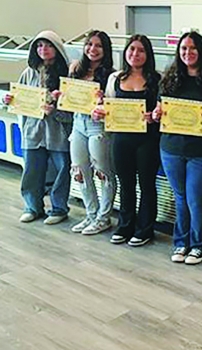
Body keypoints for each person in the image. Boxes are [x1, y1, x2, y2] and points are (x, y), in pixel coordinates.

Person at [152, 31, 202, 264]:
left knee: (197, 199)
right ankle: (180, 242)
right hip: (171, 149)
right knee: (180, 197)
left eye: (193, 48)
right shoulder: (169, 79)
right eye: (184, 48)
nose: (188, 53)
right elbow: (160, 108)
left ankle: (199, 245)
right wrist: (157, 114)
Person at [95, 35, 161, 247]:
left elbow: (162, 111)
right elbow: (107, 106)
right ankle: (125, 226)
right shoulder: (115, 78)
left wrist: (154, 116)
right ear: (125, 52)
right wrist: (100, 111)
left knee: (147, 185)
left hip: (148, 140)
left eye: (141, 50)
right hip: (121, 139)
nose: (135, 54)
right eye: (132, 49)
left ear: (147, 54)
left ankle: (145, 229)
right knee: (126, 184)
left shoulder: (157, 80)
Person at [3, 30, 72, 225]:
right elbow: (19, 100)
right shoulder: (28, 72)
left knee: (61, 172)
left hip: (58, 133)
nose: (44, 49)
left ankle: (58, 208)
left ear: (57, 48)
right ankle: (33, 207)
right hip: (33, 132)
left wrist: (56, 110)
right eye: (40, 46)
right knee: (32, 171)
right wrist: (8, 99)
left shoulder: (66, 74)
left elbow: (73, 110)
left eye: (49, 45)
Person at [67, 30, 116, 235]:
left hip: (98, 126)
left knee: (103, 173)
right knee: (80, 171)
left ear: (105, 50)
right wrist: (63, 96)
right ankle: (91, 213)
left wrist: (103, 100)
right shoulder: (75, 69)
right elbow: (68, 99)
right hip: (78, 123)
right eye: (89, 45)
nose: (92, 49)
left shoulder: (112, 75)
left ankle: (104, 217)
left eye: (98, 46)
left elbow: (114, 106)